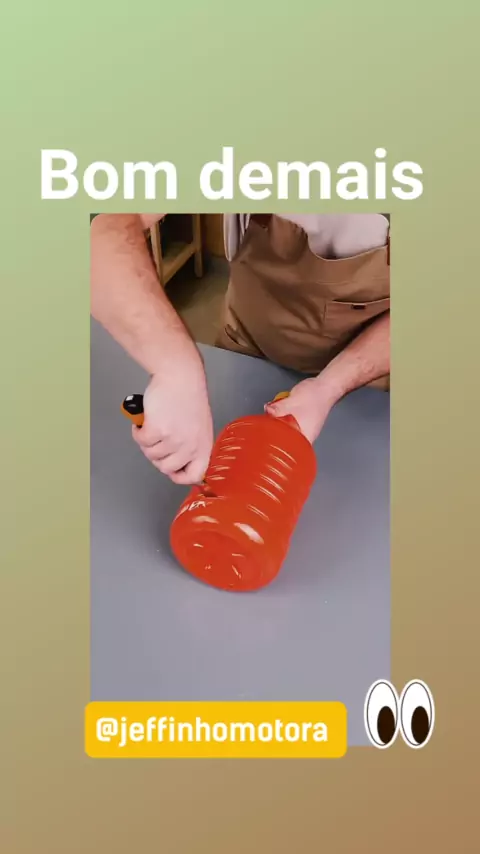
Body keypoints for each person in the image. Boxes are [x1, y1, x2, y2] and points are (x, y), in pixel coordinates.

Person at [91, 213, 390, 484]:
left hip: (362, 376)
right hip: (245, 343)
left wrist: (328, 388)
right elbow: (109, 227)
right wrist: (175, 370)